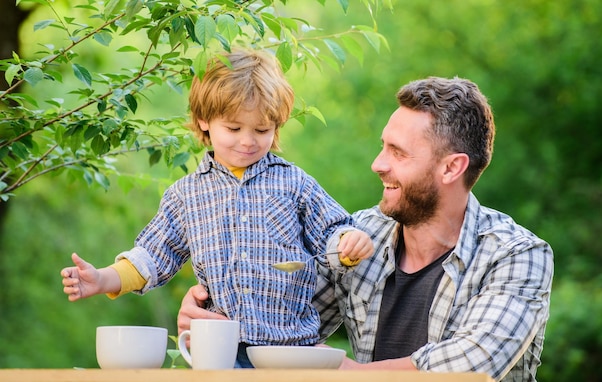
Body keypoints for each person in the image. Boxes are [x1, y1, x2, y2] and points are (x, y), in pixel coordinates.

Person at [177, 76, 554, 381]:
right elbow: (282, 319)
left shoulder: (517, 254)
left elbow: (475, 363)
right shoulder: (361, 237)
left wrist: (351, 373)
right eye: (382, 147)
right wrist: (213, 321)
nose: (377, 164)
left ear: (451, 168)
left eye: (398, 153)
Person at [60, 49, 373, 368]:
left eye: (262, 130)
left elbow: (333, 231)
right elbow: (151, 256)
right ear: (204, 120)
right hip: (221, 349)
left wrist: (348, 243)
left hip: (292, 348)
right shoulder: (186, 194)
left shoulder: (294, 182)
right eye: (234, 129)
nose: (248, 141)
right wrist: (102, 279)